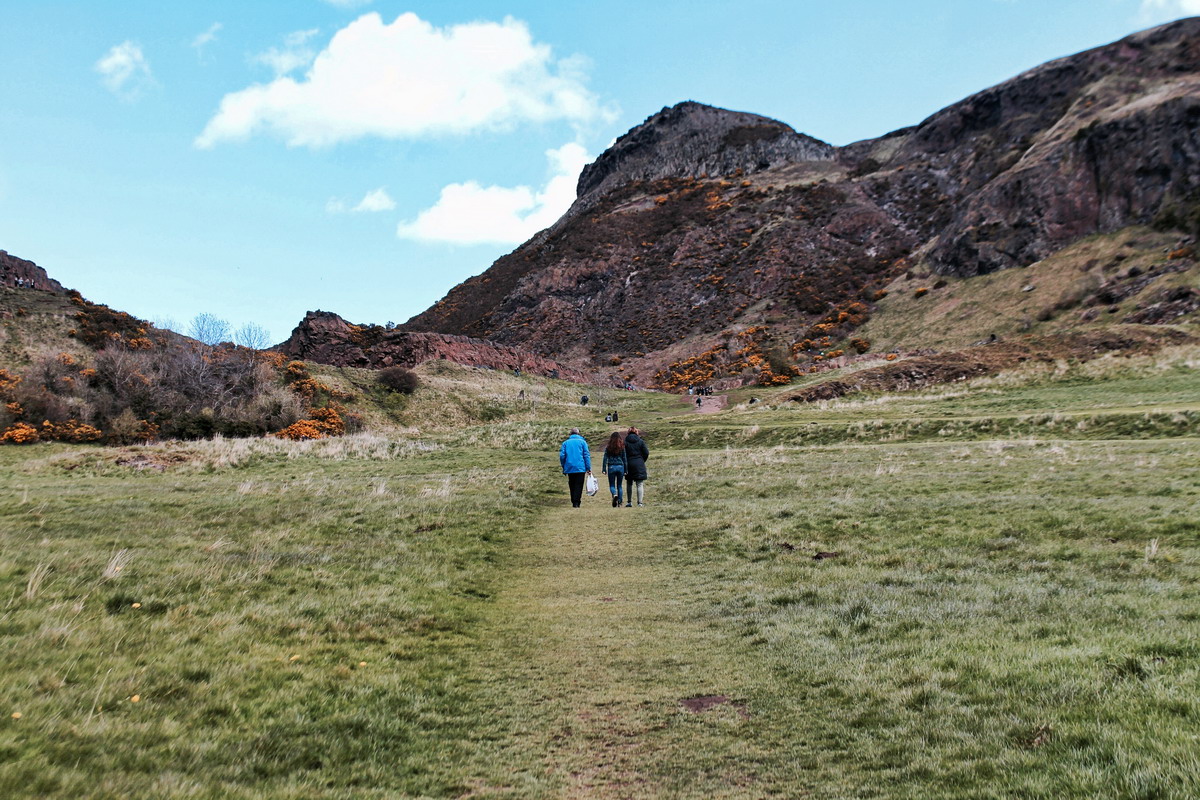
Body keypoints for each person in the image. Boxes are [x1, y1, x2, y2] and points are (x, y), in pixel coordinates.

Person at [559, 428, 591, 508]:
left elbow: (562, 456)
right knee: (579, 485)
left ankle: (573, 500)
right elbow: (586, 455)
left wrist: (564, 466)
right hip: (580, 467)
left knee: (572, 484)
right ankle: (577, 502)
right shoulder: (583, 442)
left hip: (569, 467)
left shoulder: (565, 443)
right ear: (578, 434)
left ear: (570, 434)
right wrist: (588, 467)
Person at [624, 427, 649, 507]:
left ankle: (629, 502)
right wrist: (642, 460)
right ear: (636, 432)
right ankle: (640, 502)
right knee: (639, 484)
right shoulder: (641, 441)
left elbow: (623, 453)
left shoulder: (625, 442)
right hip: (639, 463)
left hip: (629, 464)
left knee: (629, 483)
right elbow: (646, 452)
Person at [601, 432, 627, 508]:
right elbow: (624, 459)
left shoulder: (609, 447)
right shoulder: (622, 446)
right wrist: (625, 470)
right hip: (620, 466)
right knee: (619, 485)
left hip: (611, 467)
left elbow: (605, 458)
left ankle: (614, 494)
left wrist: (604, 469)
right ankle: (620, 501)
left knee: (612, 485)